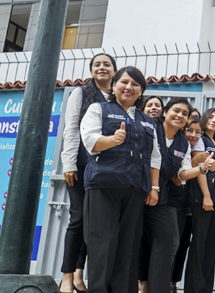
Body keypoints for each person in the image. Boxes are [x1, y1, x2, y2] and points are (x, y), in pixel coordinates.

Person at [80, 66, 160, 293]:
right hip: (103, 186)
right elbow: (90, 142)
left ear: (141, 90)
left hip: (135, 189)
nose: (129, 87)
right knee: (102, 243)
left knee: (128, 247)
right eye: (124, 82)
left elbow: (155, 158)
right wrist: (113, 140)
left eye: (135, 84)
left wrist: (153, 188)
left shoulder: (147, 121)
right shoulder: (99, 109)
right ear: (114, 85)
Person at [60, 53, 117, 293]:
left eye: (107, 64)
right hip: (82, 165)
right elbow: (71, 128)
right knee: (78, 218)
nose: (102, 68)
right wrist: (69, 163)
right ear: (91, 70)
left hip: (108, 169)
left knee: (95, 222)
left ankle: (80, 273)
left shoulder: (118, 97)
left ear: (115, 70)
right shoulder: (80, 93)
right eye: (97, 65)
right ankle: (67, 275)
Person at [138, 98, 194, 293]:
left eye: (184, 114)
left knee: (169, 240)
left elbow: (180, 177)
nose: (179, 116)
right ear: (165, 112)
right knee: (134, 239)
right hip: (137, 190)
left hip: (161, 196)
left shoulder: (184, 142)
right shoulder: (149, 129)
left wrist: (201, 169)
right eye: (176, 111)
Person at [181, 108, 215, 293]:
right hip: (204, 199)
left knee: (212, 248)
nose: (214, 120)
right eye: (211, 117)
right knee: (199, 246)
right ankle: (193, 288)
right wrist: (206, 195)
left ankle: (205, 288)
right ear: (204, 119)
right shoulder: (200, 140)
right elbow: (199, 168)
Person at [169, 116, 204, 293]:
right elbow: (176, 179)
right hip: (172, 201)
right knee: (171, 244)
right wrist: (197, 164)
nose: (193, 135)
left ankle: (173, 282)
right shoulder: (178, 145)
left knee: (182, 245)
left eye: (198, 132)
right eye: (190, 130)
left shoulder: (197, 148)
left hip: (188, 204)